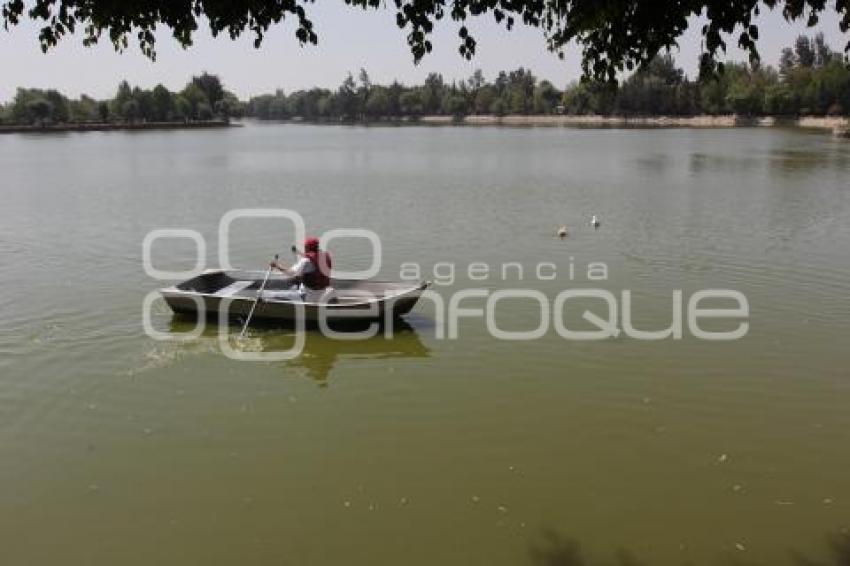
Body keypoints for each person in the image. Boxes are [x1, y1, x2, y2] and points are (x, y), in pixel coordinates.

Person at [263, 237, 334, 302]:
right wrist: (297, 252)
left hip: (308, 296)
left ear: (307, 247)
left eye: (305, 246)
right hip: (321, 290)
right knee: (296, 279)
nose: (304, 248)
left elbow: (290, 273)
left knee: (274, 295)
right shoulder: (324, 256)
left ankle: (262, 295)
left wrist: (276, 265)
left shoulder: (306, 261)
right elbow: (313, 260)